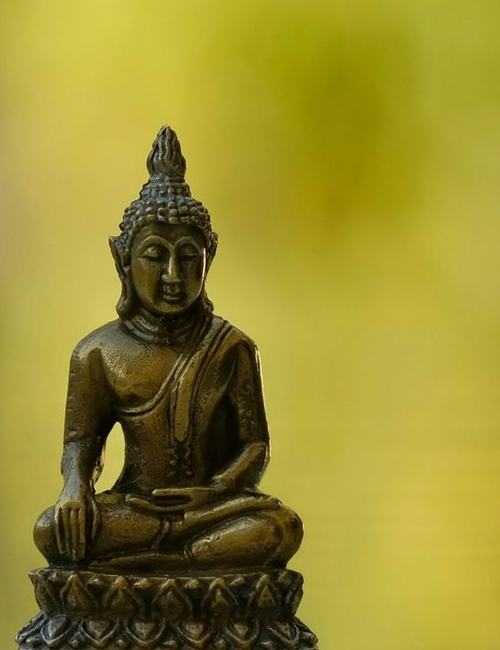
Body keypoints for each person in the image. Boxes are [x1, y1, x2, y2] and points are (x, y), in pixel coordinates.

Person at [34, 126, 302, 573]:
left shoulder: (231, 347)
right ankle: (186, 564)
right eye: (155, 256)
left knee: (280, 527)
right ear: (124, 261)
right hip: (136, 510)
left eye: (189, 257)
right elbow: (81, 442)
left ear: (209, 258)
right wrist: (74, 489)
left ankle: (158, 566)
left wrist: (214, 490)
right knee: (51, 531)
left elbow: (255, 447)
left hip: (209, 511)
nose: (173, 274)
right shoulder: (98, 353)